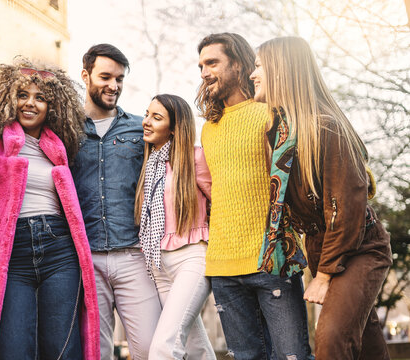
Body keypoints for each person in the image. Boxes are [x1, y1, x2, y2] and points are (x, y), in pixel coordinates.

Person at [250, 36, 392, 360]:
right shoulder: (279, 135)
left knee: (330, 342)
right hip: (321, 248)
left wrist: (325, 274)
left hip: (358, 247)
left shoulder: (326, 129)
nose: (252, 74)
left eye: (259, 66)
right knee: (367, 346)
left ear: (282, 71)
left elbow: (347, 205)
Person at [196, 33, 312, 359]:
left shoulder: (272, 114)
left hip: (271, 259)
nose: (204, 71)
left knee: (293, 357)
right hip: (221, 266)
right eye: (201, 64)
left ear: (239, 64)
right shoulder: (208, 127)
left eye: (212, 62)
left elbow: (299, 183)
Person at [0, 60, 100, 359]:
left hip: (59, 252)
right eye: (22, 95)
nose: (30, 104)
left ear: (52, 107)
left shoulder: (59, 148)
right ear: (9, 99)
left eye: (40, 98)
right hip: (13, 253)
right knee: (13, 348)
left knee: (62, 349)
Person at [70, 44, 161, 359]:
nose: (114, 86)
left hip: (133, 255)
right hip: (85, 259)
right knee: (95, 351)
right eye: (106, 77)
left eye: (120, 79)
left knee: (150, 348)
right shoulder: (65, 128)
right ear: (86, 75)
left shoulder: (140, 127)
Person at [134, 94, 215, 359]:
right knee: (195, 347)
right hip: (158, 266)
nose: (146, 122)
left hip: (191, 258)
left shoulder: (195, 159)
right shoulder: (150, 164)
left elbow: (221, 203)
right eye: (147, 114)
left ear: (174, 127)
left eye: (156, 118)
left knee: (163, 348)